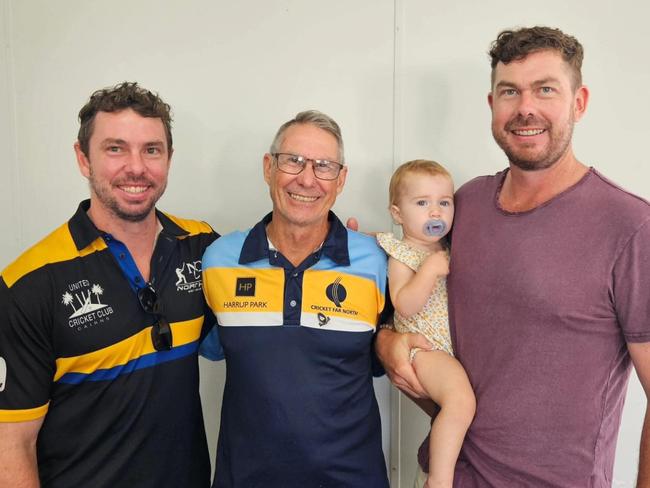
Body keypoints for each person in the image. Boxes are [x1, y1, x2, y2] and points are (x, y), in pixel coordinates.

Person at [375, 26, 650, 487]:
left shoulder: (629, 225)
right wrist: (387, 343)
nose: (525, 107)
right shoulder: (466, 205)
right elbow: (415, 301)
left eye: (545, 89)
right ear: (492, 105)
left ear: (578, 102)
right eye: (509, 91)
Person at [0, 82, 220, 487]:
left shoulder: (202, 247)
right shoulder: (27, 285)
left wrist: (344, 252)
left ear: (169, 158)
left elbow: (268, 306)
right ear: (83, 159)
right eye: (115, 148)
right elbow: (11, 443)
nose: (136, 167)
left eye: (151, 149)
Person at [201, 110, 390, 487]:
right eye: (293, 161)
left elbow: (399, 348)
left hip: (353, 479)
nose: (307, 179)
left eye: (324, 166)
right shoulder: (219, 259)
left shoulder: (376, 261)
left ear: (341, 180)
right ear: (269, 167)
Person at [376, 159, 475, 488]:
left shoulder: (447, 249)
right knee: (460, 402)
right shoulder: (402, 253)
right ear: (397, 213)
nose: (435, 213)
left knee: (460, 403)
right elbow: (404, 303)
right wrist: (429, 271)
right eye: (422, 203)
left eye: (444, 203)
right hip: (423, 347)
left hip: (446, 348)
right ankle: (440, 478)